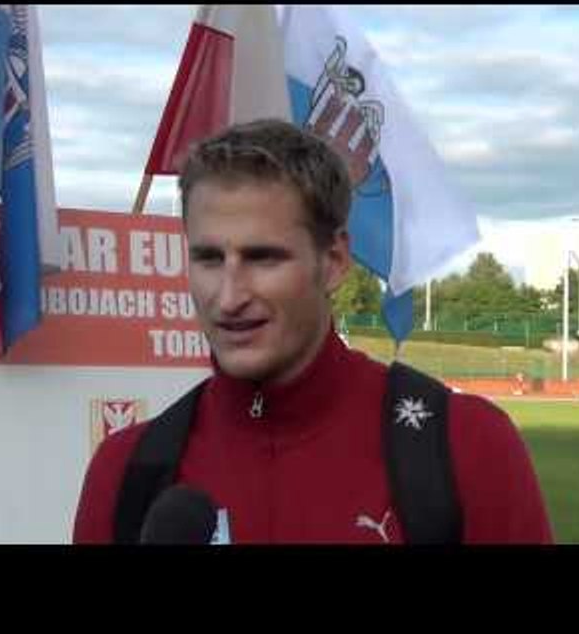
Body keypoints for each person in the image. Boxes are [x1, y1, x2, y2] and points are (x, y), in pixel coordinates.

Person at [73, 119, 553, 544]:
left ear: (335, 261)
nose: (229, 296)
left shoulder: (467, 447)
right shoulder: (126, 472)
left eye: (263, 258)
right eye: (209, 258)